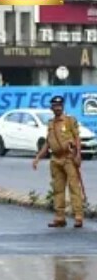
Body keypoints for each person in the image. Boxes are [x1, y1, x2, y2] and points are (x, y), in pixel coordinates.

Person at [33, 95, 85, 228]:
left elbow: (77, 138)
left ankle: (78, 216)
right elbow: (48, 143)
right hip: (55, 159)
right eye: (55, 106)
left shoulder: (69, 121)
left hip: (69, 158)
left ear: (62, 107)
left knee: (74, 187)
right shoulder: (50, 123)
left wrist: (78, 154)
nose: (57, 108)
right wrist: (38, 157)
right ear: (51, 108)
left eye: (59, 106)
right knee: (58, 189)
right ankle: (60, 217)